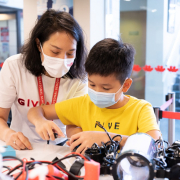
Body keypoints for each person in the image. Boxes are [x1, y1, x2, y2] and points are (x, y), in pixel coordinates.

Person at [27, 38, 161, 154]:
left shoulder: (141, 109)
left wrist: (106, 138)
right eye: (91, 85)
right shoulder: (83, 104)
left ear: (125, 85)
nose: (97, 92)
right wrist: (40, 122)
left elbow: (154, 145)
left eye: (106, 88)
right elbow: (36, 111)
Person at [0, 9, 87, 150]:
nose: (62, 60)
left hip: (60, 147)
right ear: (38, 44)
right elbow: (1, 117)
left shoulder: (79, 78)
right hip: (19, 145)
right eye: (55, 52)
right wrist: (8, 134)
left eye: (70, 53)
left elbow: (75, 123)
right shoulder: (14, 66)